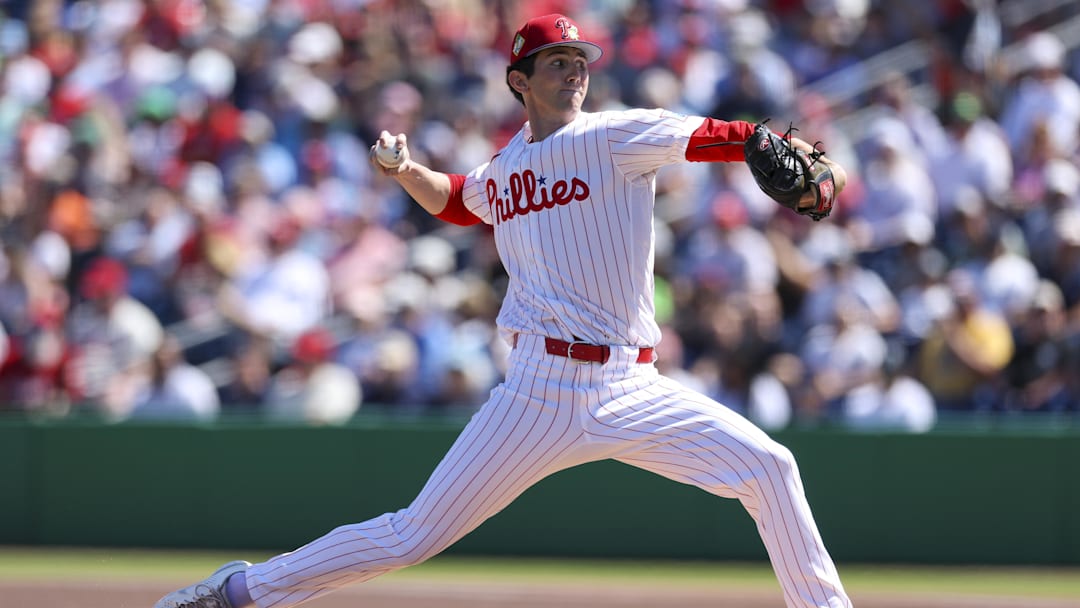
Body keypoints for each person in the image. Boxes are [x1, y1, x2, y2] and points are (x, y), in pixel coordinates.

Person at [154, 13, 852, 608]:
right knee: (412, 535)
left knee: (770, 467)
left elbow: (708, 136)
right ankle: (240, 592)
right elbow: (458, 200)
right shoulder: (509, 166)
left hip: (633, 386)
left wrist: (754, 140)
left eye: (579, 60)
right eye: (557, 61)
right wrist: (403, 172)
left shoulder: (613, 135)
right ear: (520, 78)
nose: (574, 71)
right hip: (538, 392)